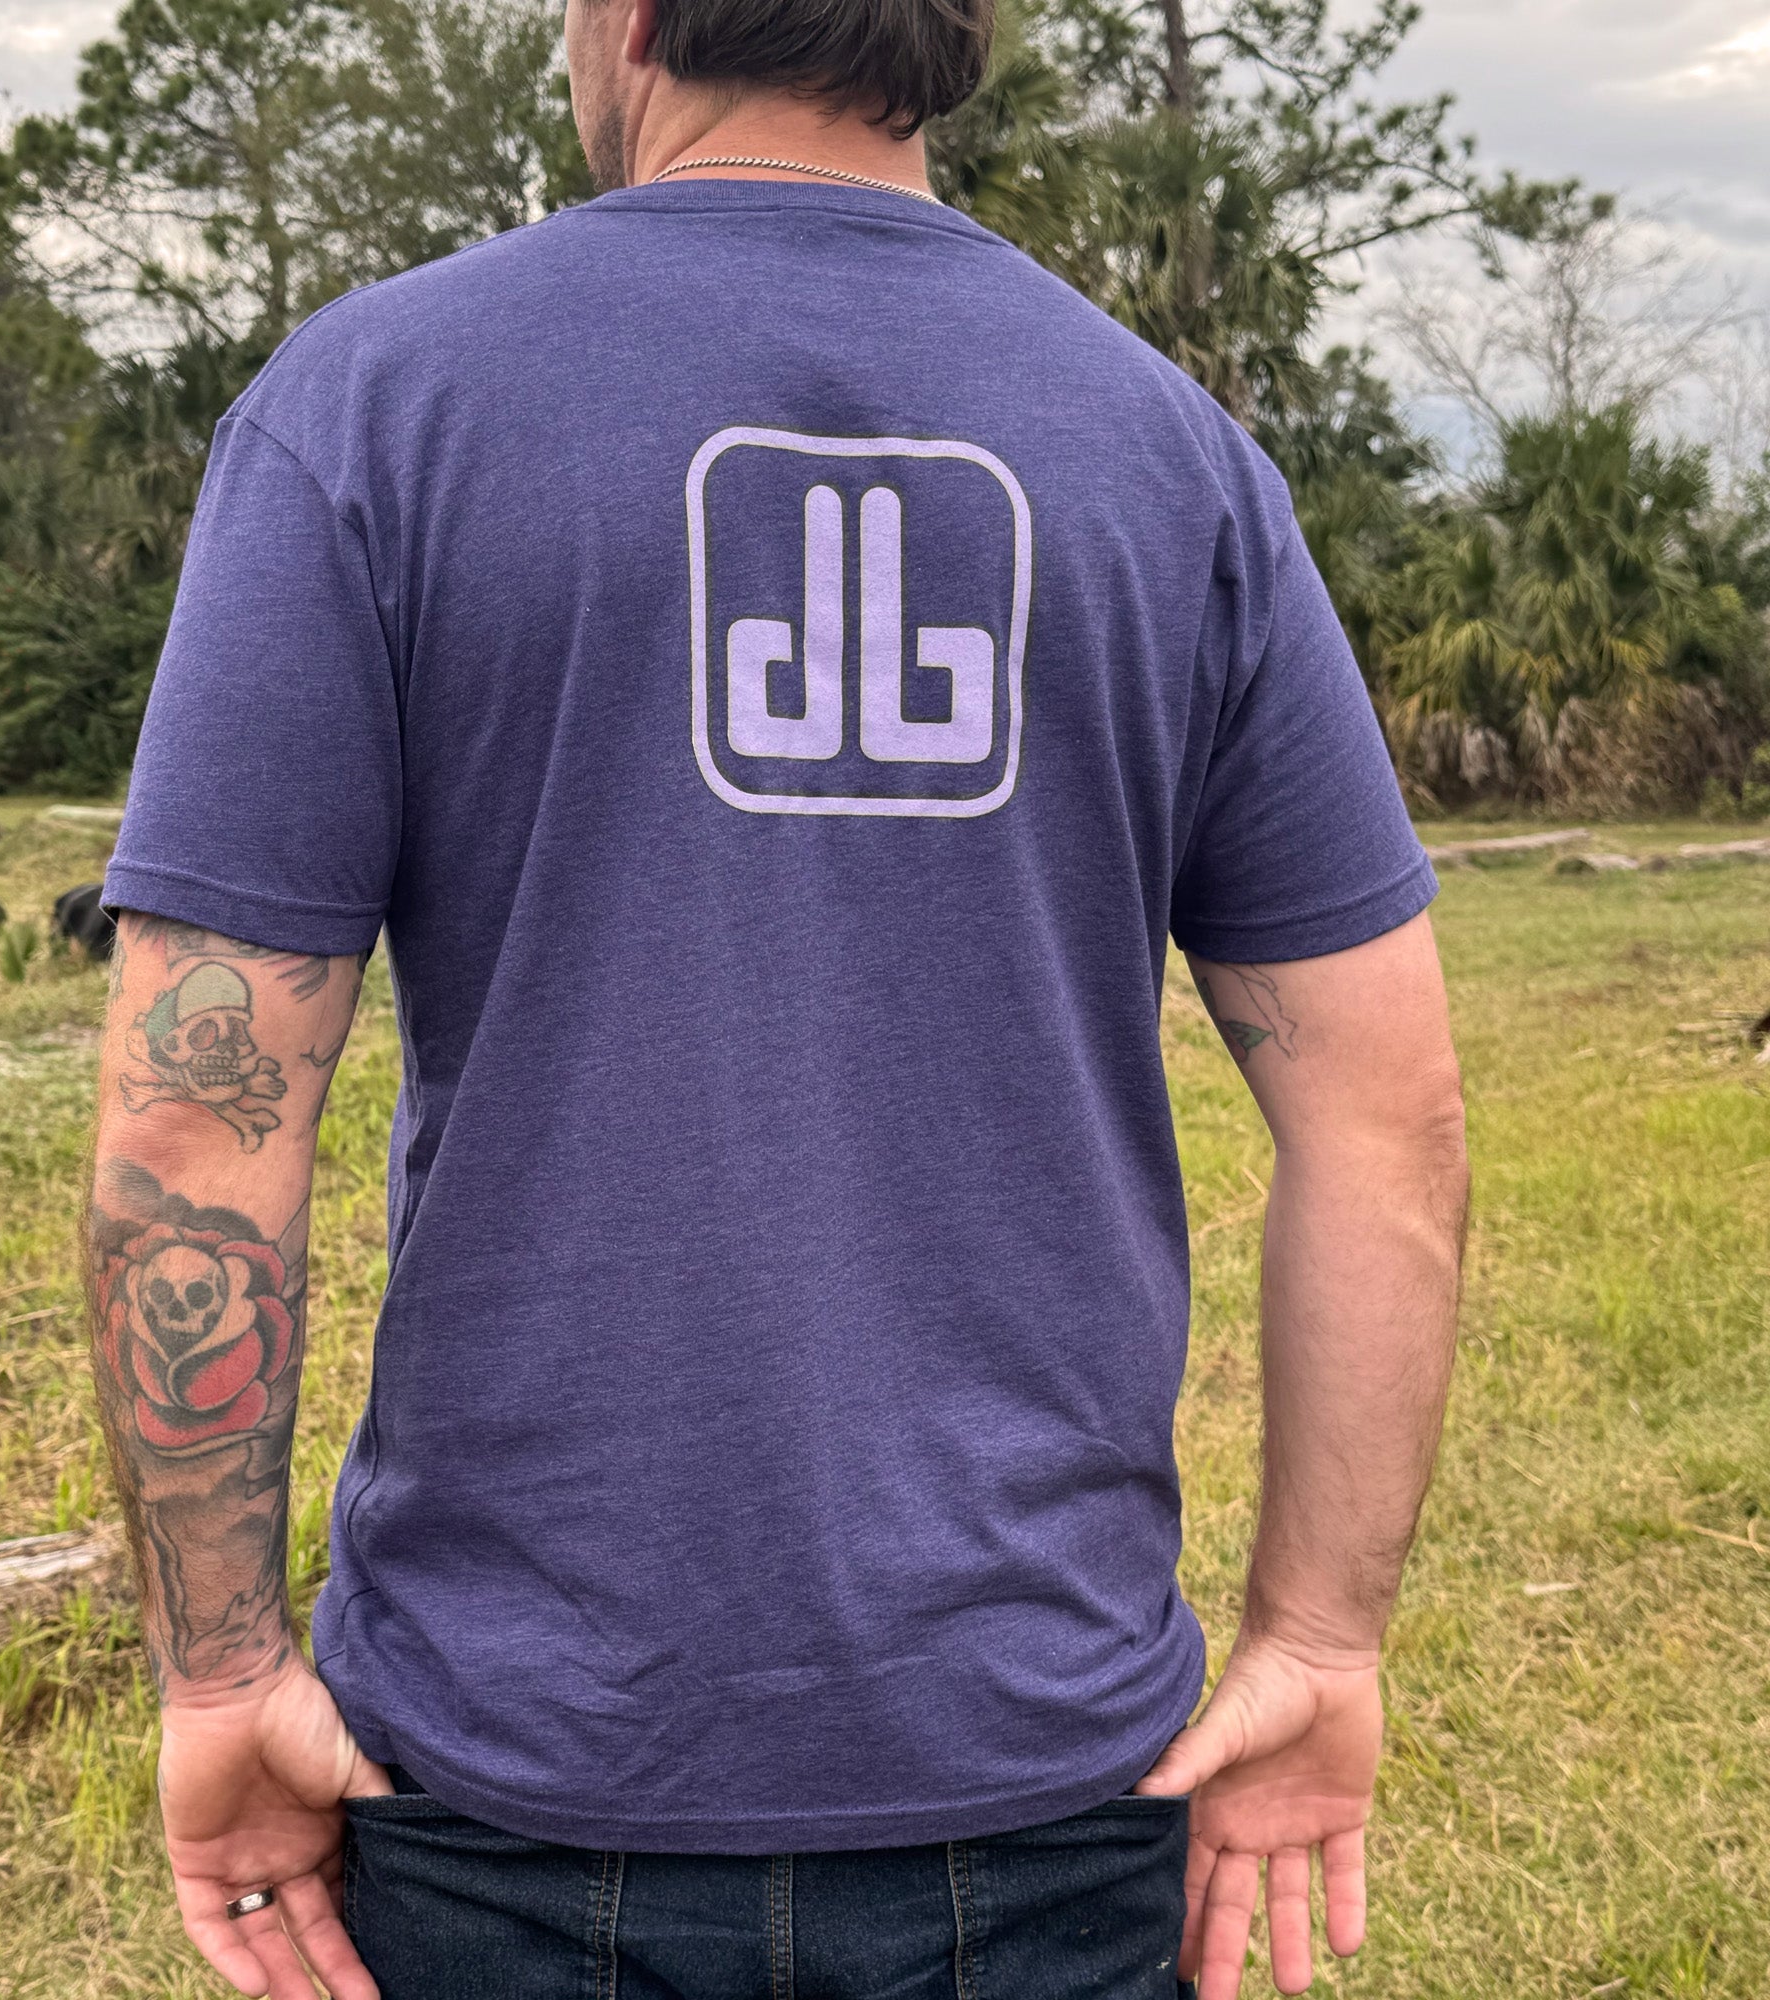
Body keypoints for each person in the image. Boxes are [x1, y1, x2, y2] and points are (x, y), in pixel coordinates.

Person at [85, 1, 1471, 1995]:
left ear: (630, 17)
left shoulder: (374, 409)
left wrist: (219, 1669)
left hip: (517, 1780)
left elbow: (193, 1115)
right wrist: (1322, 1639)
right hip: (1047, 1773)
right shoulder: (1173, 462)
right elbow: (1388, 1122)